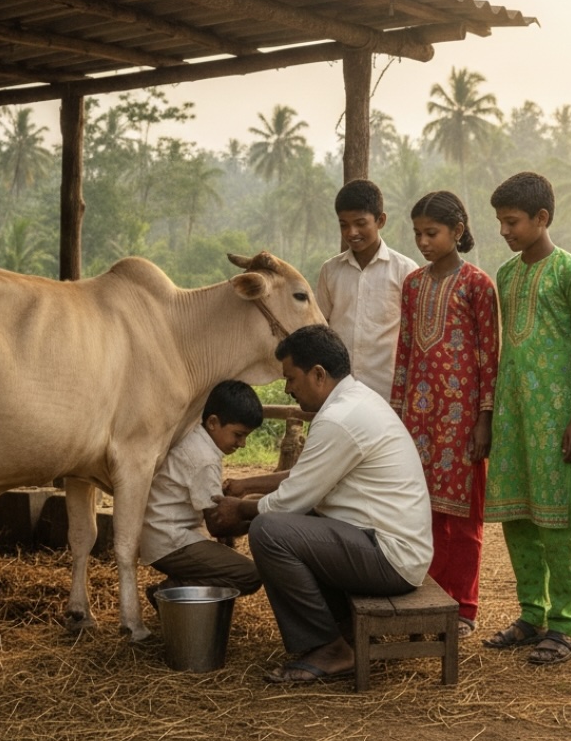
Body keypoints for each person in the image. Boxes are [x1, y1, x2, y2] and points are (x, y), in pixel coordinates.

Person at [213, 325, 432, 683]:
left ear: (318, 374)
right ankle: (342, 628)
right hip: (386, 546)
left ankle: (330, 647)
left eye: (291, 378)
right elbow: (306, 478)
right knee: (292, 519)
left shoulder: (338, 419)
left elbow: (292, 500)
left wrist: (240, 510)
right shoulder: (354, 401)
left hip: (390, 558)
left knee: (271, 531)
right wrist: (246, 486)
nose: (287, 389)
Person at [482, 171, 571, 665]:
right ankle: (531, 614)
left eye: (512, 221)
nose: (505, 231)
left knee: (557, 521)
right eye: (501, 222)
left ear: (542, 218)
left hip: (556, 416)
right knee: (518, 516)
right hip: (513, 413)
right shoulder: (506, 274)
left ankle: (564, 624)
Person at [391, 190, 498, 637]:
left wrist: (484, 418)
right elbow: (404, 351)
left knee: (463, 517)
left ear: (456, 231)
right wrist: (396, 413)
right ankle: (427, 601)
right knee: (422, 511)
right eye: (417, 233)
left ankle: (463, 607)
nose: (423, 242)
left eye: (431, 233)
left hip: (462, 419)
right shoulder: (413, 284)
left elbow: (489, 357)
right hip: (417, 415)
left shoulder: (478, 284)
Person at [140, 380, 264, 603]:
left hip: (160, 535)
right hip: (171, 541)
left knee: (228, 556)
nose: (243, 444)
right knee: (250, 575)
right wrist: (258, 519)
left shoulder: (196, 437)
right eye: (238, 434)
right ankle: (169, 594)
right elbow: (217, 525)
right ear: (213, 422)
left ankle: (175, 591)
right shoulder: (204, 458)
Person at [315, 179, 418, 402]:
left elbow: (415, 337)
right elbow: (320, 329)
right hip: (338, 392)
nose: (352, 232)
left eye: (360, 223)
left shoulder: (406, 271)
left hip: (387, 393)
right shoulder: (330, 271)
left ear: (380, 220)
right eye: (344, 224)